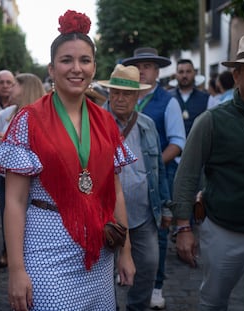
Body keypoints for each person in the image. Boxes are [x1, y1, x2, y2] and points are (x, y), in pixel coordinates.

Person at [0, 10, 135, 310]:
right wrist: (15, 270)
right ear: (51, 69)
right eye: (67, 60)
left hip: (98, 251)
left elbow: (114, 191)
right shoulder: (29, 120)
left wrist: (126, 251)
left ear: (94, 67)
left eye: (84, 60)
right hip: (46, 248)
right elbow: (14, 201)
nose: (76, 68)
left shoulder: (105, 122)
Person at [173, 33, 244, 310]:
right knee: (213, 303)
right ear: (237, 75)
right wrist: (183, 227)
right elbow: (187, 175)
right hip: (223, 233)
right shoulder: (212, 120)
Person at [99, 64, 173, 310]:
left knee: (149, 265)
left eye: (127, 93)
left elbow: (158, 170)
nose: (120, 98)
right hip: (104, 217)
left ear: (137, 95)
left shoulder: (147, 124)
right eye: (116, 92)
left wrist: (165, 206)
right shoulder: (94, 121)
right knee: (103, 273)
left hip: (144, 215)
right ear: (109, 93)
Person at [121, 47, 185, 310]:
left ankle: (155, 286)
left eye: (148, 66)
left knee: (156, 237)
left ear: (157, 71)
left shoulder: (167, 101)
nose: (143, 70)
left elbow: (178, 142)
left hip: (156, 180)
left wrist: (152, 165)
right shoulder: (119, 97)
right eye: (139, 66)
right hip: (121, 187)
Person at [0, 73, 47, 271]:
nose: (10, 88)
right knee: (9, 216)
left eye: (15, 84)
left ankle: (23, 258)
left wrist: (11, 141)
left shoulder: (41, 114)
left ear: (26, 88)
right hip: (8, 176)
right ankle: (12, 253)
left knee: (27, 220)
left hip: (33, 182)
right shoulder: (12, 111)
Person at [169, 59, 217, 136]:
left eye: (188, 71)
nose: (184, 75)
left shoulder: (208, 99)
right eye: (181, 72)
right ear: (176, 75)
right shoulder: (168, 98)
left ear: (194, 73)